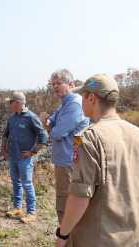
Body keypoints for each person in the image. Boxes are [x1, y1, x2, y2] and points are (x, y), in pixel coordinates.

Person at [55, 74, 139, 247]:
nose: (80, 100)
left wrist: (62, 235)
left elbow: (80, 196)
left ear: (91, 98)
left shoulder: (88, 138)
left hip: (101, 239)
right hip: (137, 238)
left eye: (82, 96)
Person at [45, 69, 89, 226]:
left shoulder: (74, 104)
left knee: (66, 202)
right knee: (65, 199)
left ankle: (67, 237)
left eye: (59, 83)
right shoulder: (64, 104)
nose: (55, 87)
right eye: (53, 84)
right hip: (64, 159)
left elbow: (56, 133)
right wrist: (51, 124)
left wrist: (51, 127)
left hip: (69, 161)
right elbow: (50, 119)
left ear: (71, 84)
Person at [1, 91, 48, 223]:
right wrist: (3, 150)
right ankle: (17, 208)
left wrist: (33, 152)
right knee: (16, 182)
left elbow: (44, 136)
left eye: (11, 102)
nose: (9, 105)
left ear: (18, 103)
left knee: (27, 184)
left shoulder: (31, 117)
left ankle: (31, 212)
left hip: (25, 159)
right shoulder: (12, 118)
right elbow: (5, 135)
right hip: (13, 156)